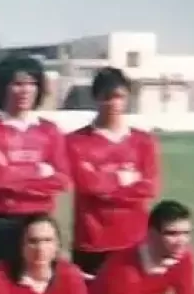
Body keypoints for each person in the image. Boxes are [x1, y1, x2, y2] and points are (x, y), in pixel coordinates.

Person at [0, 55, 70, 267]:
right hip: (3, 223)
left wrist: (17, 173)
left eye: (32, 83)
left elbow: (62, 180)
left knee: (40, 289)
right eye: (18, 83)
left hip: (41, 223)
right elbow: (0, 178)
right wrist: (39, 172)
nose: (26, 90)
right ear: (2, 87)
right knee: (0, 290)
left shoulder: (50, 131)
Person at [67, 67, 160, 277]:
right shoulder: (75, 142)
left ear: (127, 98)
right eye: (107, 97)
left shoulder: (143, 142)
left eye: (119, 97)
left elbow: (149, 188)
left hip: (133, 240)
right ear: (95, 98)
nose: (114, 103)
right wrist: (123, 179)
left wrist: (104, 183)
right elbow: (88, 185)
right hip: (92, 241)